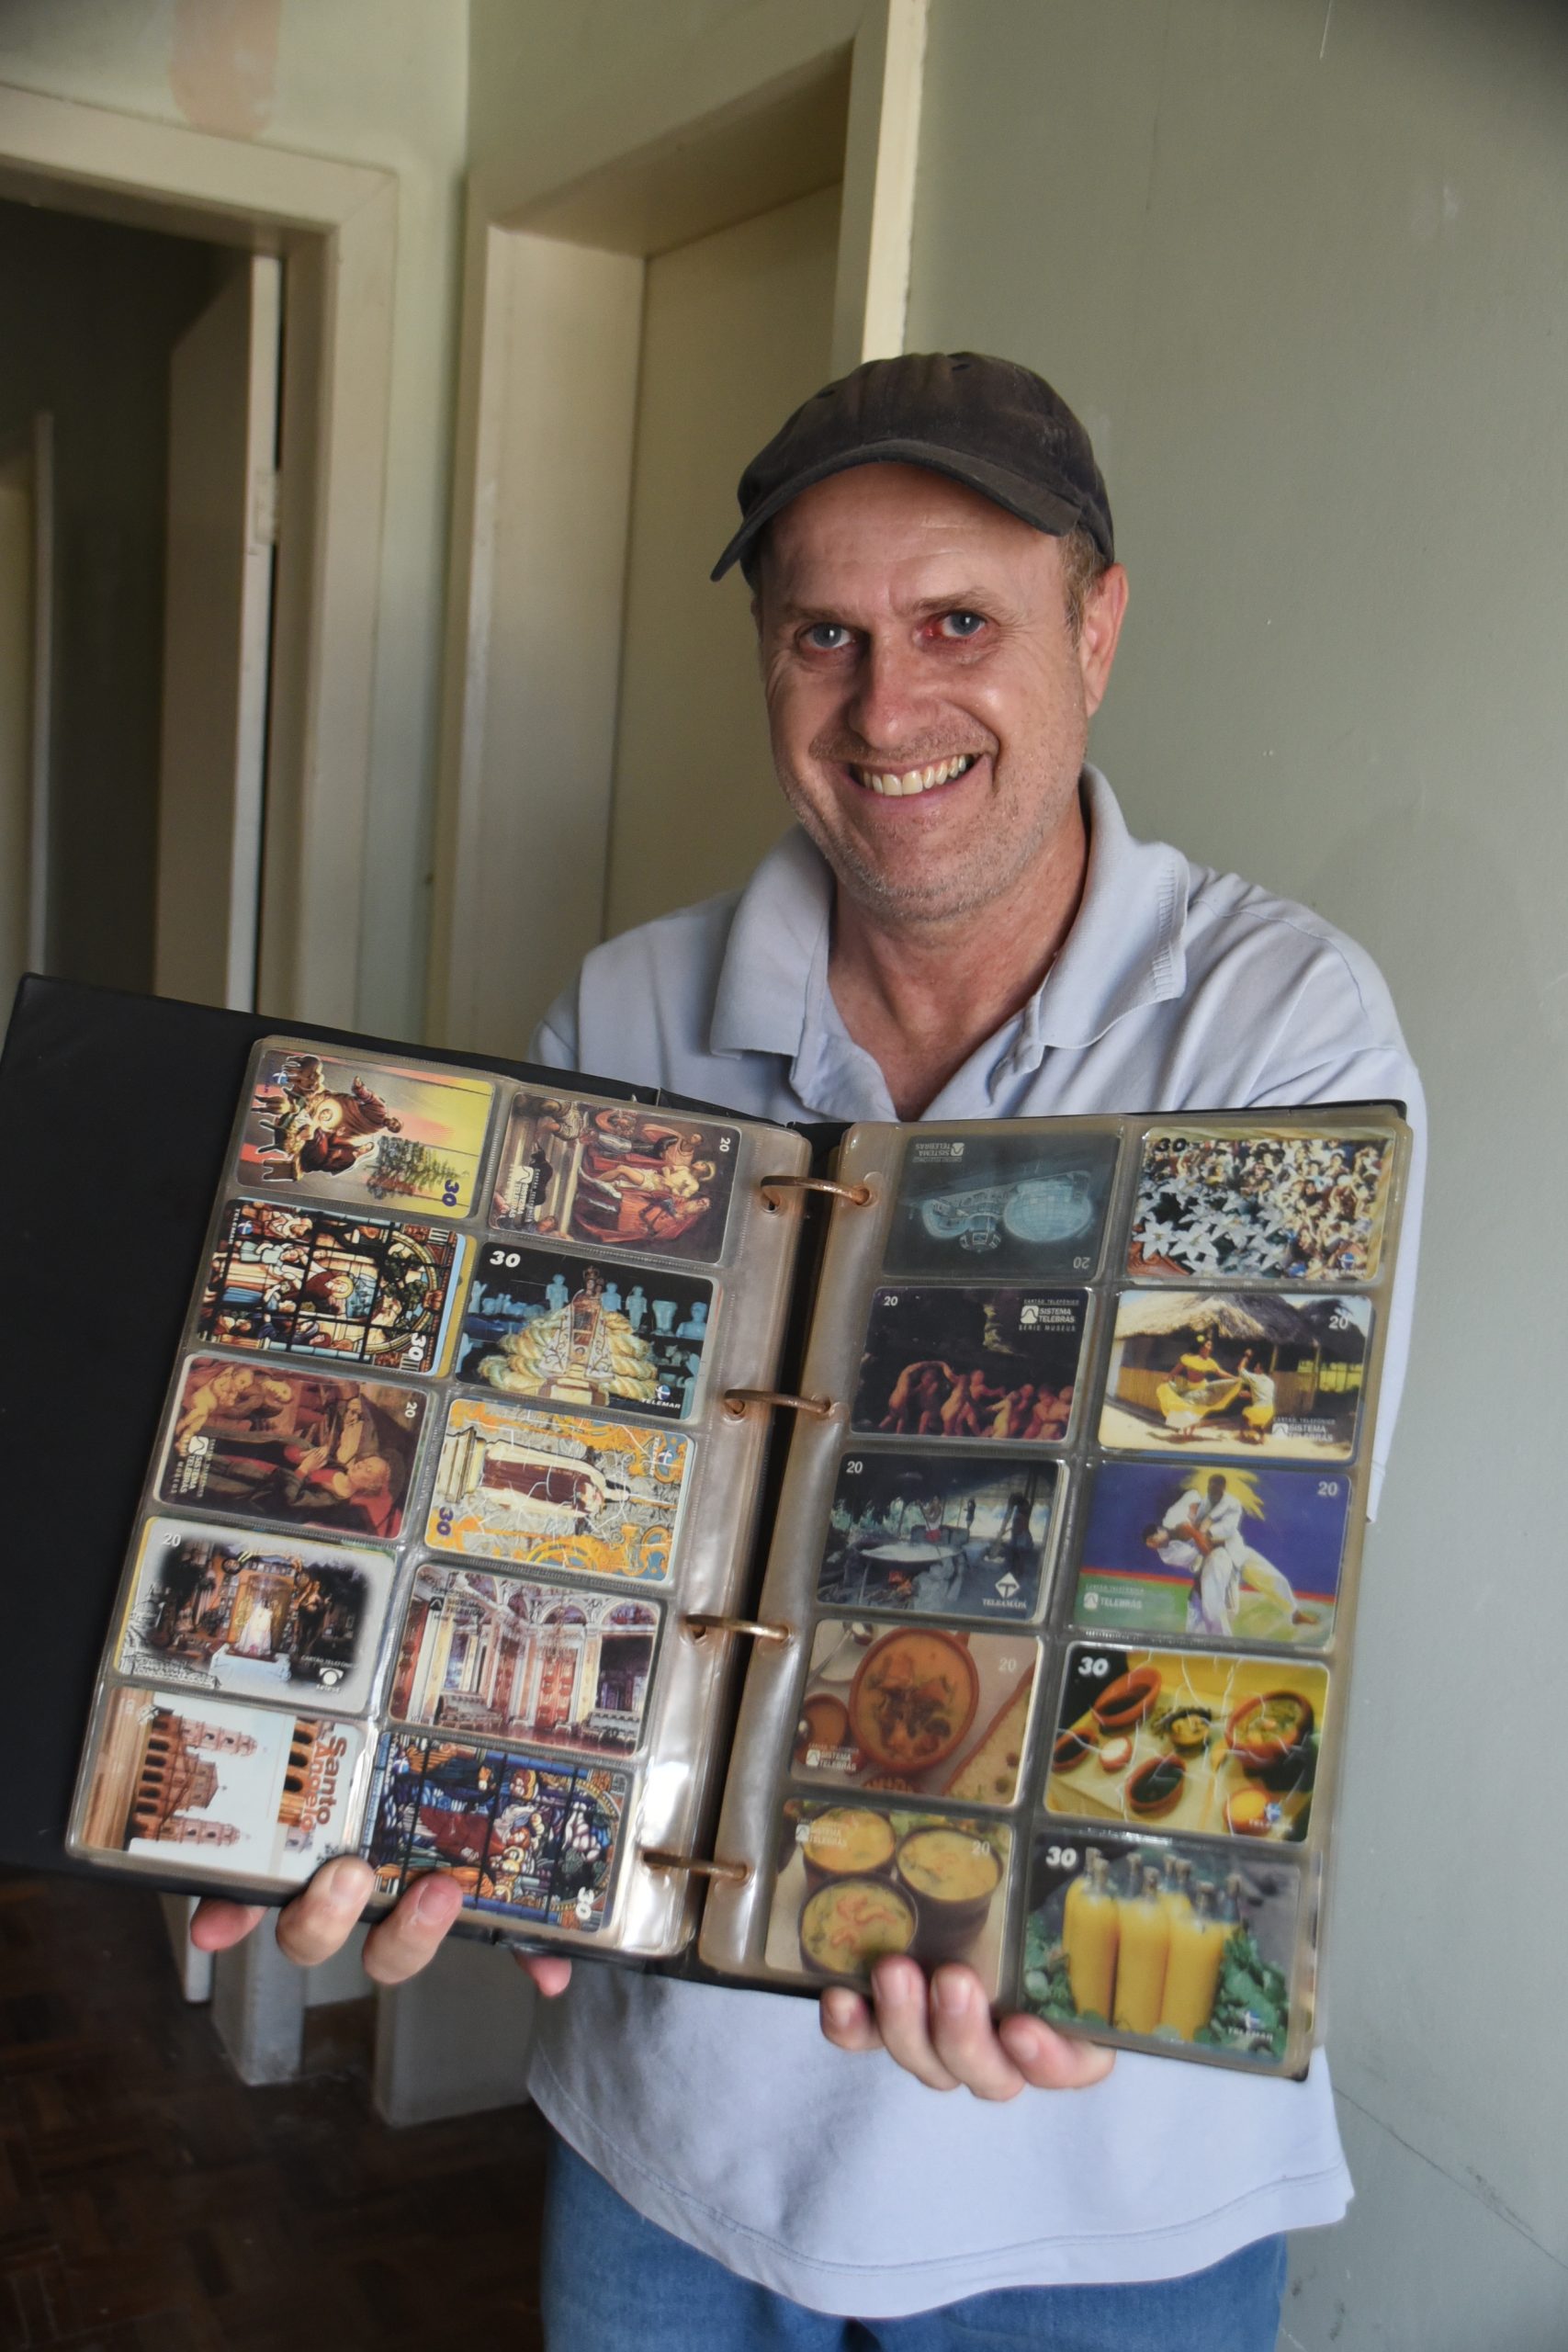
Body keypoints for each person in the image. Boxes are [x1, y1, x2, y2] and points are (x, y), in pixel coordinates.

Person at [192, 352, 1424, 2349]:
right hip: (677, 2145)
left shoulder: (1281, 1024)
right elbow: (543, 1532)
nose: (887, 707)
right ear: (766, 659)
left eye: (960, 624)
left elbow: (1244, 1552)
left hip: (1106, 2171)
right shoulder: (625, 1004)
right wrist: (369, 1791)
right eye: (823, 634)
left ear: (1096, 628)